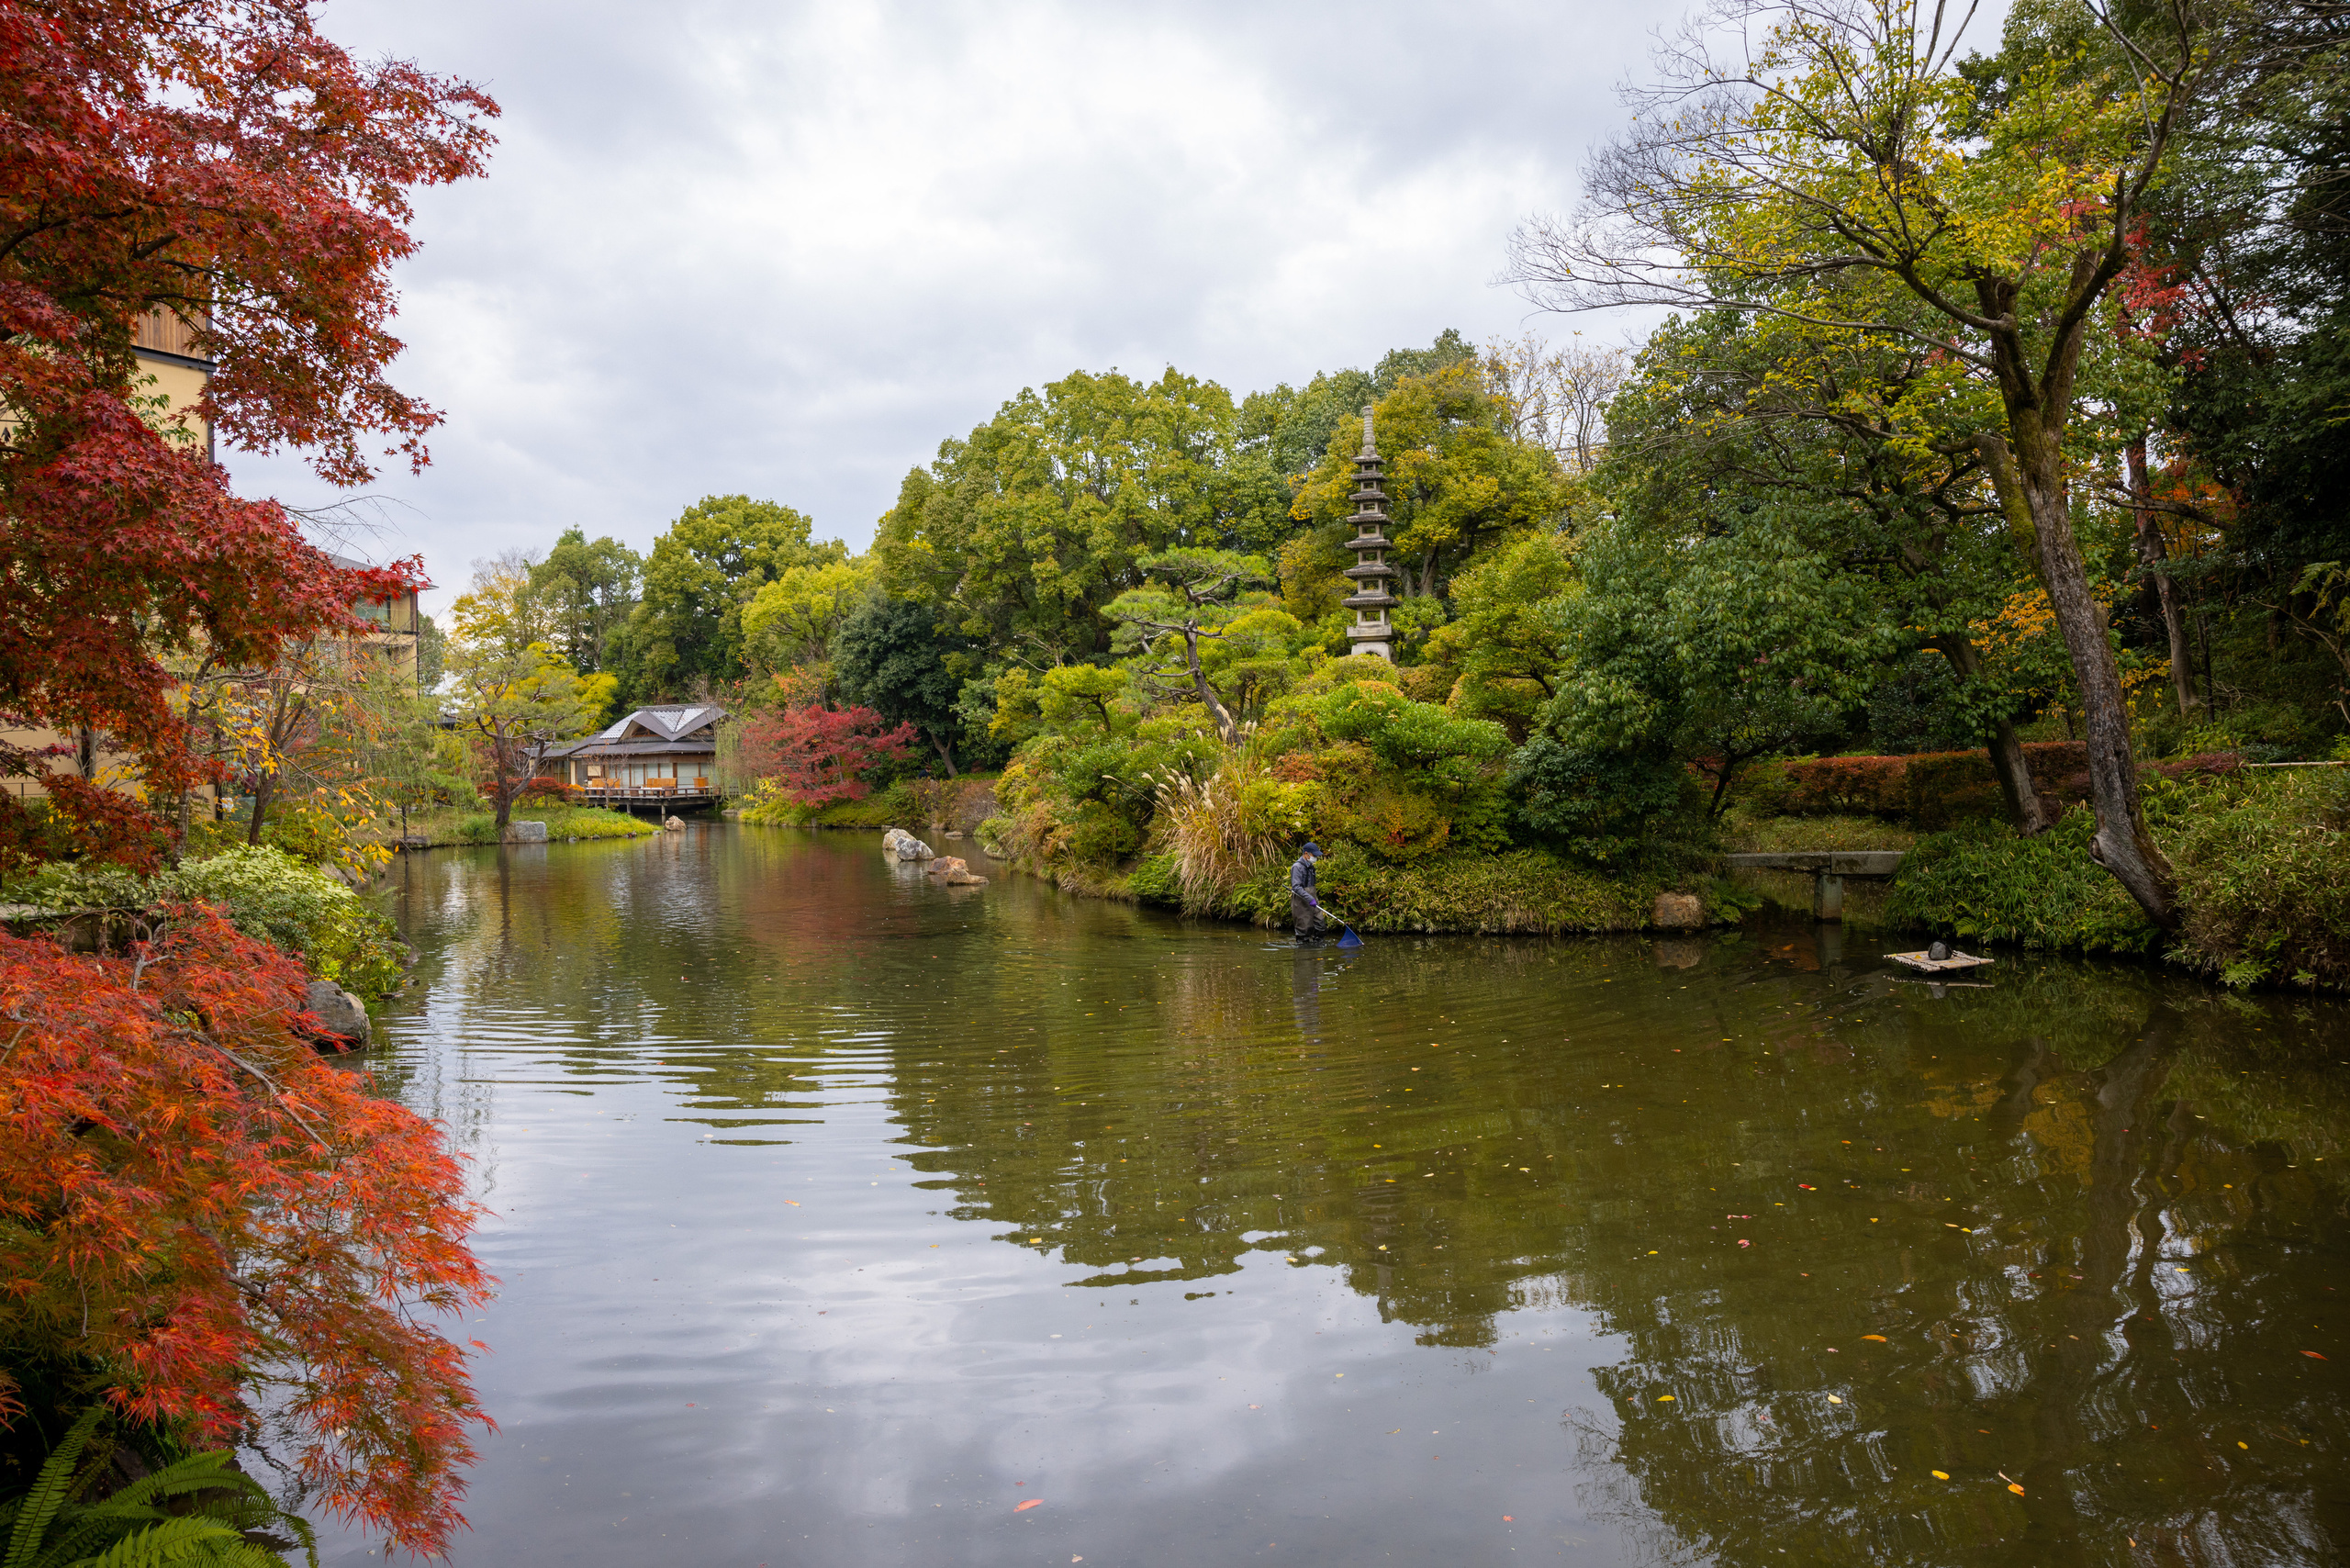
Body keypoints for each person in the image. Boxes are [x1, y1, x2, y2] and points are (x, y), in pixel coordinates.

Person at [1290, 842, 1326, 943]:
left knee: (1320, 925)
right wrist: (1309, 898)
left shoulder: (1311, 867)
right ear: (1306, 854)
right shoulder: (1297, 867)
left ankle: (1318, 948)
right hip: (1301, 902)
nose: (1315, 858)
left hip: (1313, 901)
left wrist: (1313, 899)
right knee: (1304, 930)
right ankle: (1304, 952)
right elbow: (1296, 887)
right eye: (1314, 855)